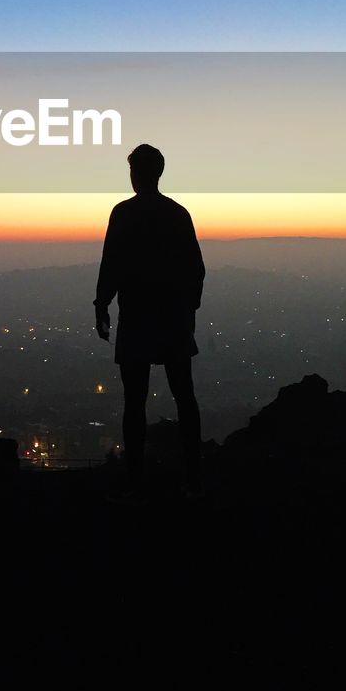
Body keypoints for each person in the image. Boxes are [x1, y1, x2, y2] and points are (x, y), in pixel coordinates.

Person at [94, 144, 206, 499]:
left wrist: (102, 304)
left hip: (137, 315)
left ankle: (135, 477)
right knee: (184, 395)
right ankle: (194, 471)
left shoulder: (123, 213)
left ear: (137, 173)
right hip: (172, 316)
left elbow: (110, 262)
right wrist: (188, 309)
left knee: (134, 400)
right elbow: (196, 268)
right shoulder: (177, 213)